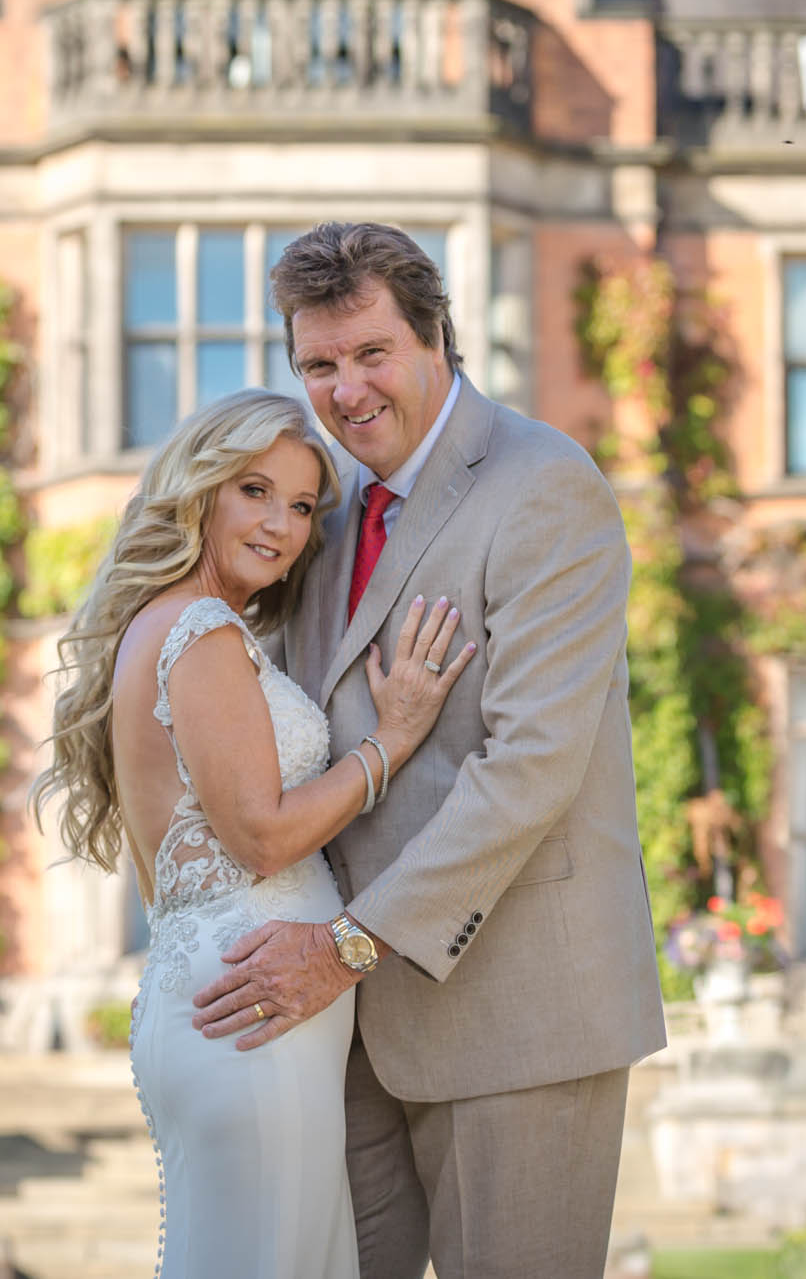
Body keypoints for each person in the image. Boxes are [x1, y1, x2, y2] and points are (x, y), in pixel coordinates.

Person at [189, 221, 666, 1279]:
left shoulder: (546, 484)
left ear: (433, 337)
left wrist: (347, 944)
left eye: (370, 353)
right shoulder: (325, 502)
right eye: (318, 363)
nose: (345, 388)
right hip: (344, 1037)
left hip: (518, 1016)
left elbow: (530, 765)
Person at [33, 387, 475, 1279]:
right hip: (250, 1010)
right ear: (199, 490)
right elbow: (263, 839)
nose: (281, 523)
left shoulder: (188, 625)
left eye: (303, 504)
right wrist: (390, 743)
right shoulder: (198, 631)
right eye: (254, 490)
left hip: (240, 1000)